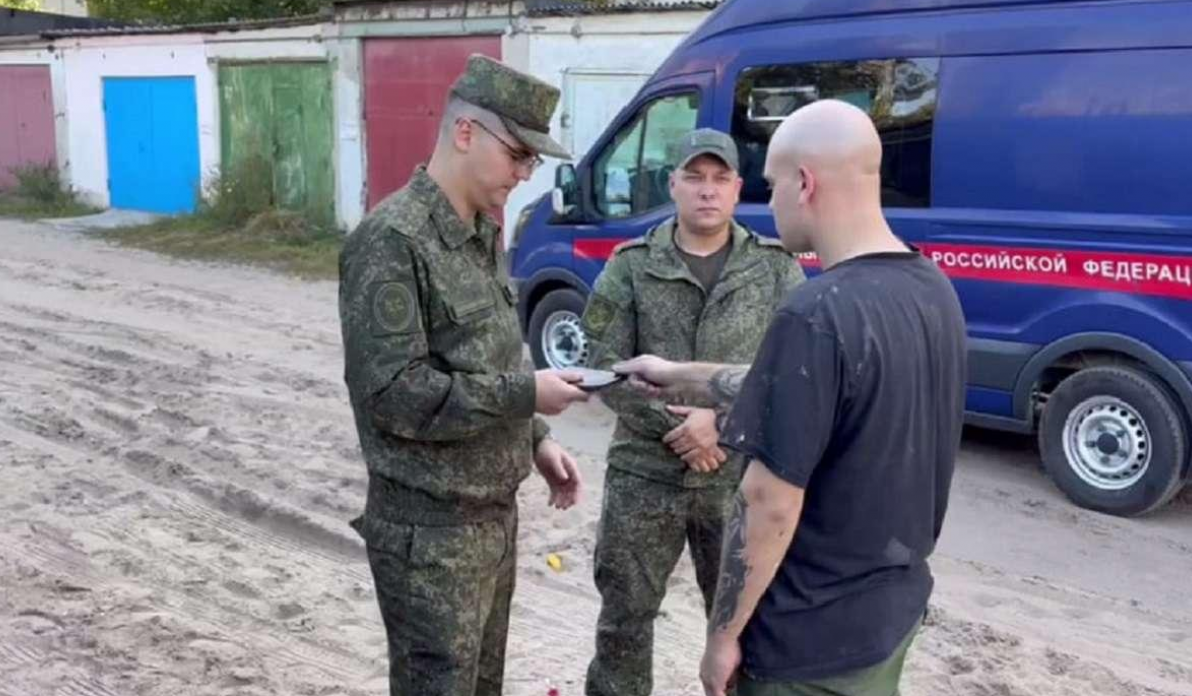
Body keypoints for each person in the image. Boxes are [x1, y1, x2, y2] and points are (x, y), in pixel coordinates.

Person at [615, 100, 968, 696]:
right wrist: (677, 375)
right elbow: (807, 386)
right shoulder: (930, 288)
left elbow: (767, 503)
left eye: (772, 183)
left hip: (805, 646)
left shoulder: (815, 312)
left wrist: (722, 637)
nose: (769, 200)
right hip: (886, 619)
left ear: (804, 183)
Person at [338, 54, 590, 696]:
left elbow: (490, 356)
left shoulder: (480, 232)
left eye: (532, 161)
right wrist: (526, 394)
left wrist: (535, 436)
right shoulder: (392, 241)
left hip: (490, 522)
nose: (525, 173)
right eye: (518, 154)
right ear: (465, 132)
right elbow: (394, 395)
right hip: (429, 534)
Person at [582, 128, 805, 696]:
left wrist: (722, 426)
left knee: (744, 628)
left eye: (720, 178)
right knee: (623, 623)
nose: (708, 190)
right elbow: (604, 363)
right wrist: (681, 430)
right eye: (695, 177)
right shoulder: (632, 265)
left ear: (737, 189)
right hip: (643, 475)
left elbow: (798, 372)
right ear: (672, 185)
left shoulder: (775, 268)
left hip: (738, 480)